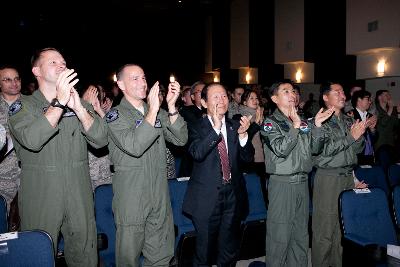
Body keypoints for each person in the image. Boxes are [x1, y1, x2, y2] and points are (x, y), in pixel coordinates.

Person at [8, 48, 108, 267]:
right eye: (53, 62)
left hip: (79, 192)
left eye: (63, 61)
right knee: (38, 255)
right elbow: (32, 139)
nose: (61, 65)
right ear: (37, 71)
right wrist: (59, 103)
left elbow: (101, 141)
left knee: (85, 254)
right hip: (41, 194)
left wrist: (80, 109)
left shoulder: (81, 104)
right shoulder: (22, 106)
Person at [106, 64, 187, 266]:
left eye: (143, 77)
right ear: (121, 84)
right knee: (129, 256)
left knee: (161, 253)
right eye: (135, 78)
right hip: (132, 196)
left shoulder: (157, 112)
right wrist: (152, 111)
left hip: (158, 192)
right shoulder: (116, 116)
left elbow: (181, 139)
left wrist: (171, 107)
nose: (143, 82)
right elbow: (134, 145)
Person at [261, 82, 332, 267]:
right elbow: (280, 149)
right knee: (279, 236)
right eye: (285, 91)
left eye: (293, 91)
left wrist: (316, 126)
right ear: (274, 98)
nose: (292, 94)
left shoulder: (302, 121)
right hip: (282, 184)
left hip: (302, 182)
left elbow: (315, 149)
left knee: (300, 235)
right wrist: (294, 127)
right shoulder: (270, 123)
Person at [183, 83, 254, 266]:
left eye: (224, 96)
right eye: (215, 97)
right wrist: (215, 129)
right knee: (204, 252)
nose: (221, 100)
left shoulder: (233, 126)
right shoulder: (194, 126)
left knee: (229, 250)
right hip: (206, 198)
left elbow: (247, 158)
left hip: (233, 194)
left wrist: (243, 136)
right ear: (204, 102)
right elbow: (197, 153)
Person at [312, 82, 368, 267]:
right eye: (338, 92)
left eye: (343, 92)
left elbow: (357, 150)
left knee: (341, 229)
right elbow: (324, 151)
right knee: (325, 230)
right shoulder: (320, 121)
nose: (343, 95)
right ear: (326, 97)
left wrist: (359, 136)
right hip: (328, 178)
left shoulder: (348, 120)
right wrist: (351, 137)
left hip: (346, 176)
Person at [232, 89, 268, 207]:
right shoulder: (240, 117)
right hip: (249, 160)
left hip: (262, 158)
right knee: (252, 191)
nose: (255, 101)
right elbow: (245, 137)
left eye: (256, 98)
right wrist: (256, 123)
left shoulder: (261, 115)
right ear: (244, 102)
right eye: (251, 98)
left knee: (263, 190)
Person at [82, 85, 113, 190]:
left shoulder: (102, 112)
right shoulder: (81, 111)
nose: (102, 95)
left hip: (106, 169)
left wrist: (102, 112)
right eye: (94, 92)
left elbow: (112, 134)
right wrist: (86, 105)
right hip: (90, 169)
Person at [0, 65, 22, 215]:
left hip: (29, 174)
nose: (14, 83)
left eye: (16, 79)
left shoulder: (32, 105)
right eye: (7, 79)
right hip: (2, 178)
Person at [374, 90, 400, 172]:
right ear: (379, 97)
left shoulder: (391, 110)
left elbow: (397, 124)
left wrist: (398, 112)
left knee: (392, 169)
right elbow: (383, 123)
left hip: (391, 143)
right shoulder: (375, 109)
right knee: (384, 168)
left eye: (389, 94)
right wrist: (391, 108)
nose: (388, 96)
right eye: (386, 94)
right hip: (381, 144)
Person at [351, 90, 377, 165]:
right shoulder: (350, 116)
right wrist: (366, 125)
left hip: (370, 155)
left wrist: (372, 129)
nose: (370, 102)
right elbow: (351, 137)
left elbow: (375, 139)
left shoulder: (370, 116)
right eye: (367, 99)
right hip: (356, 156)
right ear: (359, 100)